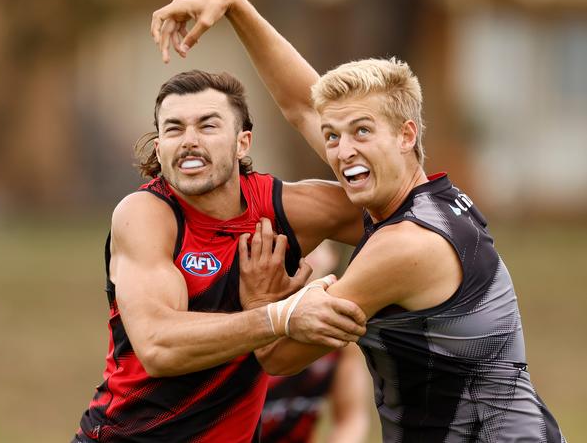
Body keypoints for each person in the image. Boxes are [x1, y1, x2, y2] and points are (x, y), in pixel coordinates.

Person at [151, 0, 567, 441]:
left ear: (406, 135)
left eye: (362, 131)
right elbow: (299, 105)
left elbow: (279, 357)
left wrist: (260, 303)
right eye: (332, 136)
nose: (343, 151)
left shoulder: (403, 245)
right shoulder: (426, 200)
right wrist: (235, 5)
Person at [71, 68, 370, 443]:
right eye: (174, 129)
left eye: (207, 126)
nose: (189, 141)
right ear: (159, 146)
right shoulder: (145, 215)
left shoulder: (279, 210)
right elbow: (160, 346)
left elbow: (403, 211)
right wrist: (279, 315)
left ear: (242, 143)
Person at [261, 242, 371, 443]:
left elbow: (351, 419)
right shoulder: (248, 321)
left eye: (316, 247)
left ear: (333, 257)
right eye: (297, 249)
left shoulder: (342, 335)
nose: (304, 260)